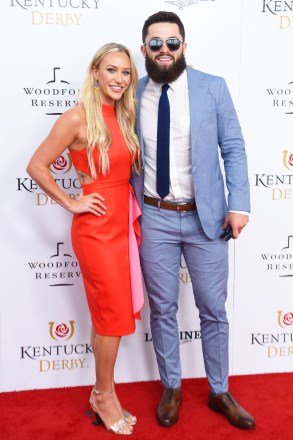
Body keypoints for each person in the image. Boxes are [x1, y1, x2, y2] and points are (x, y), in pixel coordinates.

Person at [131, 11, 256, 430]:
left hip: (208, 220)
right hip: (155, 218)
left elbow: (233, 147)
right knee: (163, 308)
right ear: (144, 47)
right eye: (155, 43)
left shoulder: (212, 88)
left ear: (184, 46)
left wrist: (239, 205)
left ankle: (219, 390)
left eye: (172, 42)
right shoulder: (132, 94)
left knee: (212, 309)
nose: (163, 50)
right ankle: (172, 387)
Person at [27, 43, 143, 436]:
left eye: (125, 72)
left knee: (107, 317)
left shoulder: (125, 115)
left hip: (122, 224)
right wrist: (71, 202)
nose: (118, 79)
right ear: (95, 72)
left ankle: (102, 390)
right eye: (111, 70)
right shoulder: (77, 117)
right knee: (111, 318)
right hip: (95, 230)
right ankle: (105, 395)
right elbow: (36, 165)